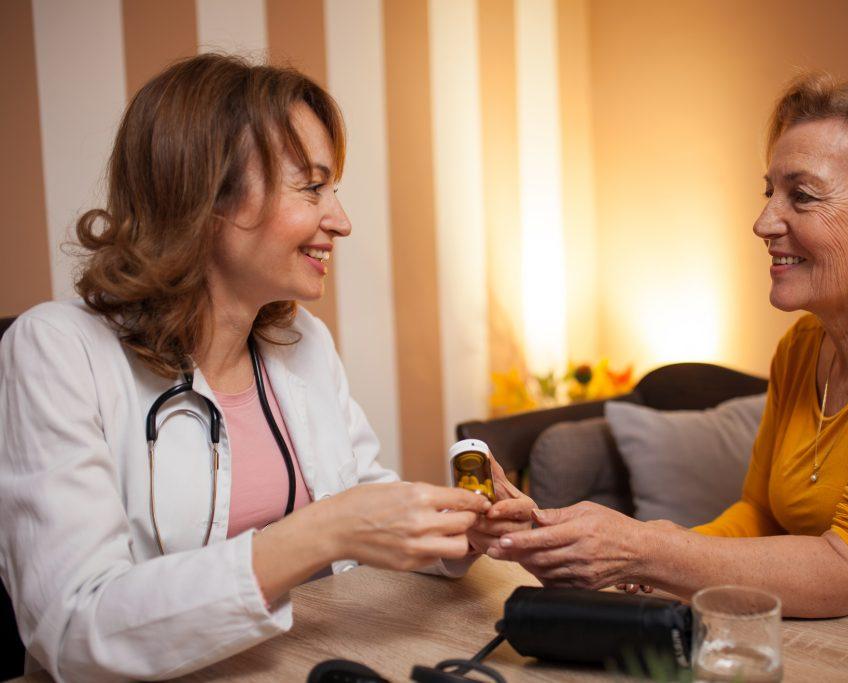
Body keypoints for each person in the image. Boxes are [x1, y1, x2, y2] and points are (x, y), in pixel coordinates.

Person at [0, 54, 534, 680]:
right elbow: (73, 628)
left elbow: (365, 504)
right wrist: (321, 533)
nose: (340, 220)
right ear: (206, 197)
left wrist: (452, 532)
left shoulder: (300, 340)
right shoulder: (58, 351)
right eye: (311, 188)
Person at [488, 71, 848, 645]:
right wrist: (622, 563)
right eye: (768, 191)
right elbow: (760, 517)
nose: (764, 221)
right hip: (823, 645)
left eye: (803, 195)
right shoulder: (802, 347)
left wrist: (641, 551)